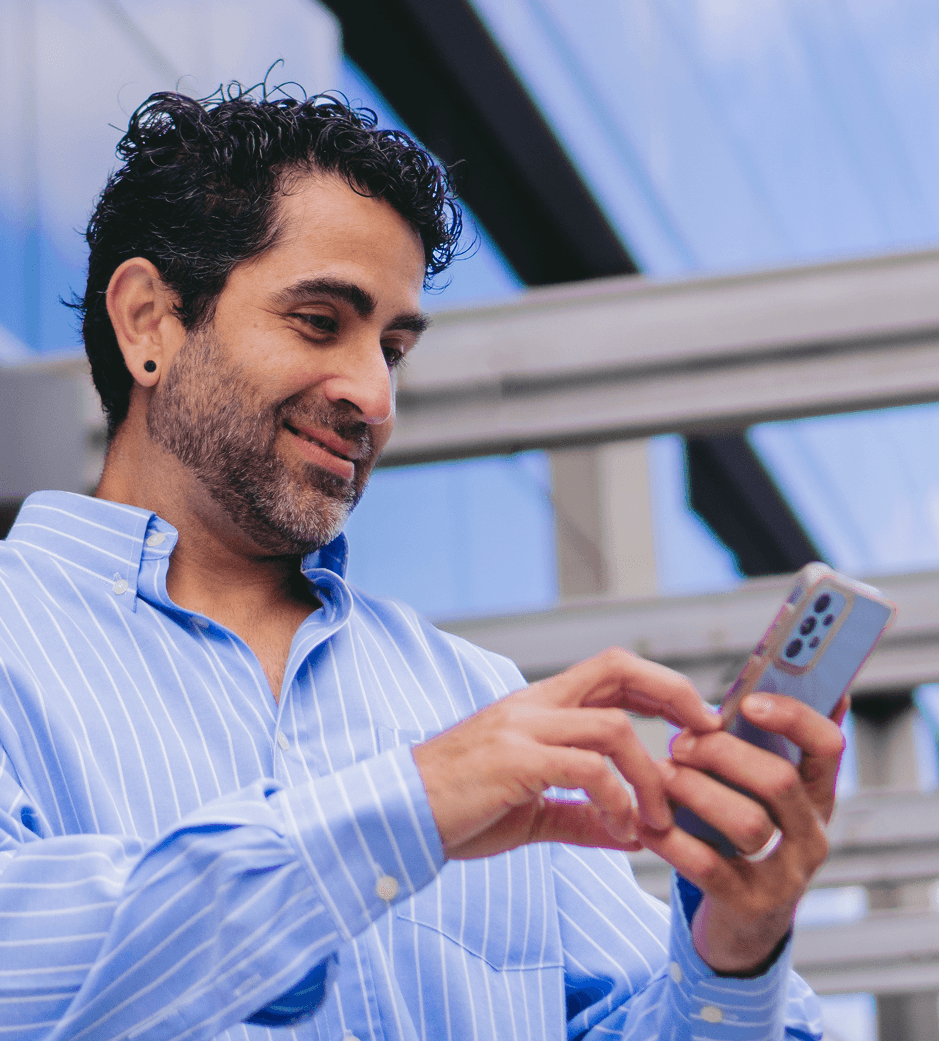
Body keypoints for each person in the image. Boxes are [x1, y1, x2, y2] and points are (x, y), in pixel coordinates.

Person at [0, 83, 845, 1040]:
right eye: (321, 321)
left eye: (392, 347)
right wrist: (406, 807)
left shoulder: (478, 700)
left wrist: (733, 949)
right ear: (150, 321)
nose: (373, 394)